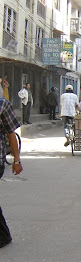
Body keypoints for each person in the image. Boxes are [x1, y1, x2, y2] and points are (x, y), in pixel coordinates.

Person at [0, 97, 23, 248]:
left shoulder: (2, 104)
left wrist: (16, 160)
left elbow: (11, 133)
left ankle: (3, 236)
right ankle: (4, 235)